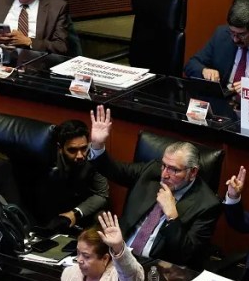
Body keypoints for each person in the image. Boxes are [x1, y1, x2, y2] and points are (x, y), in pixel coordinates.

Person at [88, 105, 222, 268]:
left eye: (174, 170)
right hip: (118, 255)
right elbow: (116, 171)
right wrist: (97, 145)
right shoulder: (152, 171)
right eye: (164, 165)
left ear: (192, 172)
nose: (165, 174)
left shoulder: (207, 205)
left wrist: (172, 215)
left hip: (155, 269)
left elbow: (186, 254)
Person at [37, 118, 109, 230]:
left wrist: (75, 213)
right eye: (72, 150)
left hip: (83, 207)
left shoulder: (95, 155)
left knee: (102, 218)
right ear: (60, 148)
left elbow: (102, 194)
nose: (80, 155)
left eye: (83, 148)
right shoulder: (49, 158)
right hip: (52, 205)